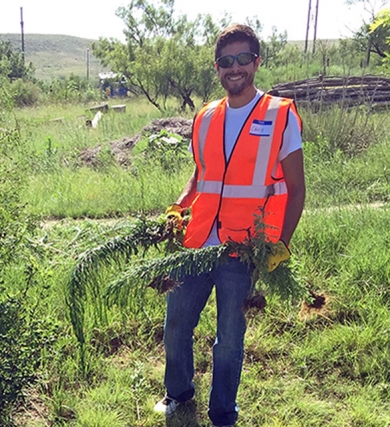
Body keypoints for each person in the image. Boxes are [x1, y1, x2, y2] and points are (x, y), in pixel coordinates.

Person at [153, 24, 306, 427]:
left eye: (242, 59)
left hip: (245, 247)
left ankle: (222, 414)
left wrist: (279, 246)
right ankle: (179, 393)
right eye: (226, 61)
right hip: (199, 240)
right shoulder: (205, 116)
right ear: (217, 68)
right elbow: (199, 175)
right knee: (175, 325)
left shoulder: (279, 115)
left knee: (229, 342)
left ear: (256, 62)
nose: (234, 68)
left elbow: (296, 189)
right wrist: (178, 208)